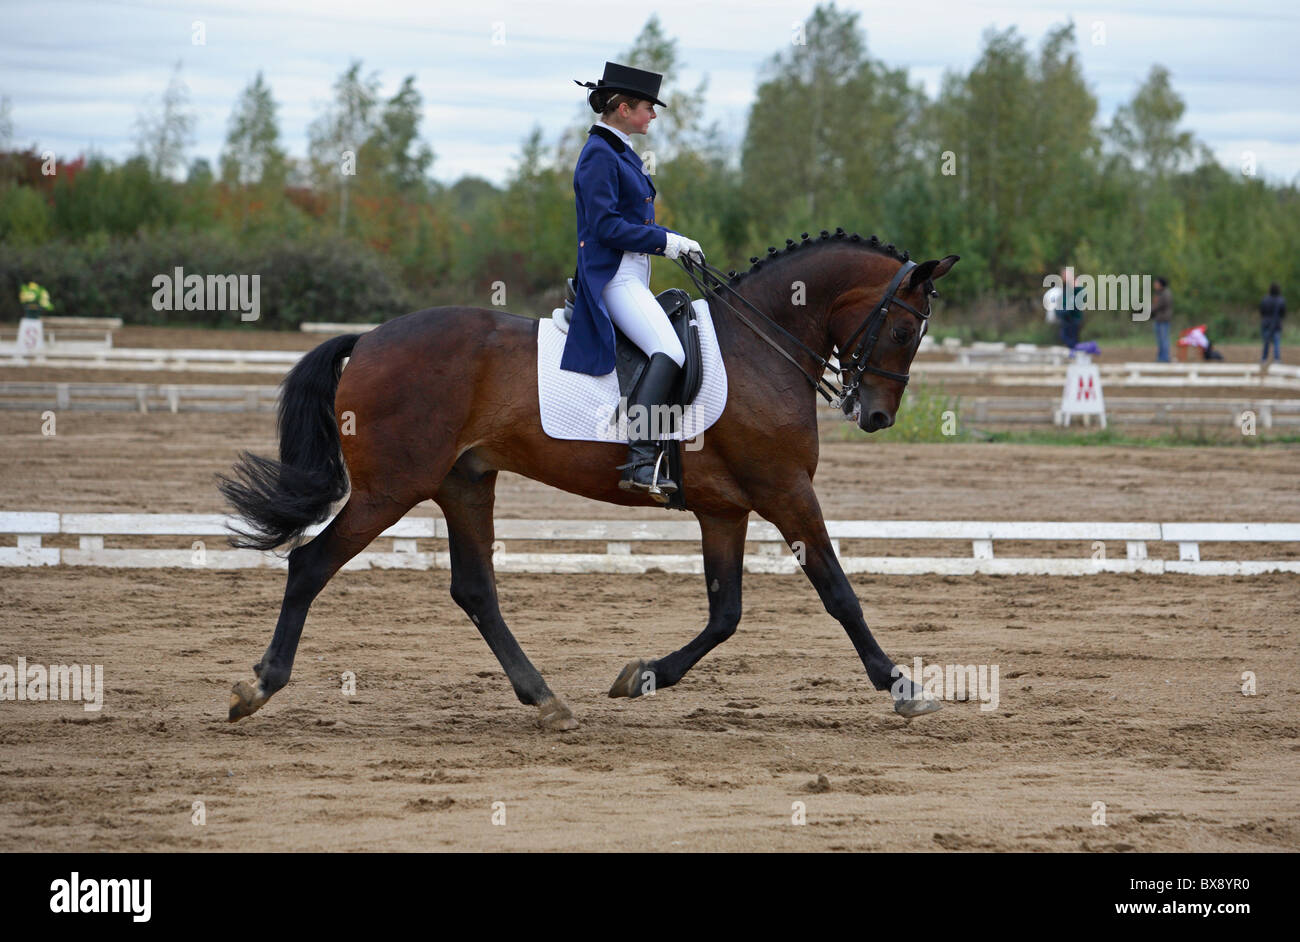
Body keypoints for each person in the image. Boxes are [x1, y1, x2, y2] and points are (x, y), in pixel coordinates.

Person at [565, 62, 704, 498]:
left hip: (632, 276)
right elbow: (605, 226)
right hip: (612, 278)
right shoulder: (599, 155)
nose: (654, 116)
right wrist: (669, 241)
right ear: (623, 109)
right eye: (648, 108)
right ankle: (642, 460)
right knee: (669, 350)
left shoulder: (619, 150)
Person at [1058, 268, 1085, 349]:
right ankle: (1074, 352)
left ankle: (1077, 352)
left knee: (1072, 339)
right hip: (1067, 318)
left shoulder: (1076, 287)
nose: (1063, 277)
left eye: (1065, 275)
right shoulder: (1066, 288)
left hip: (1074, 318)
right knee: (1064, 336)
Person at [1260, 282, 1286, 363]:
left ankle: (1264, 358)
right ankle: (1277, 359)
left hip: (1266, 323)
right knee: (1276, 342)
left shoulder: (1264, 299)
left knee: (1266, 342)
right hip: (1277, 324)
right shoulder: (1281, 300)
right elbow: (1283, 313)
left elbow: (1262, 311)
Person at [1152, 276, 1172, 362]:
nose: (1154, 284)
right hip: (1158, 319)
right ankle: (1160, 358)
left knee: (1164, 340)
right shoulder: (1159, 293)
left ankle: (1165, 358)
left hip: (1164, 320)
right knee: (1160, 340)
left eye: (1156, 283)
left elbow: (1159, 305)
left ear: (1160, 284)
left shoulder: (1166, 293)